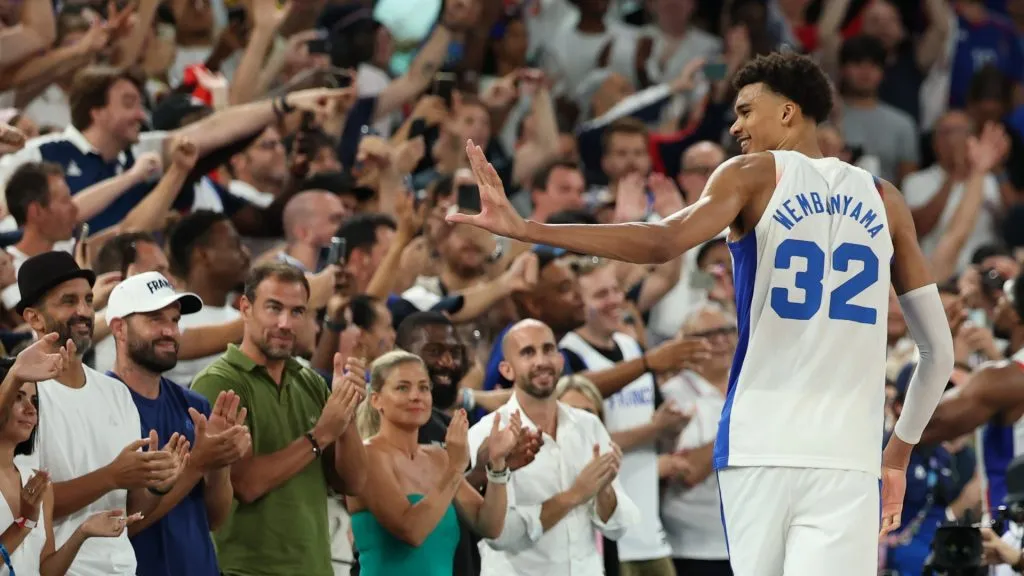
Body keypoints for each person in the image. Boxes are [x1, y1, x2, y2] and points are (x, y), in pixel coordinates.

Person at [450, 52, 956, 575]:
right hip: (848, 457)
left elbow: (663, 240)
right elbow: (939, 355)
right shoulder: (884, 198)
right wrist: (896, 455)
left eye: (745, 111)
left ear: (787, 113)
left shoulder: (753, 174)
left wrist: (531, 230)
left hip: (760, 442)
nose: (735, 125)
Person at [15, 251, 188, 576]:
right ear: (34, 318)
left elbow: (129, 510)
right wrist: (112, 476)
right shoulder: (22, 395)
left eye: (88, 300)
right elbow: (23, 503)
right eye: (69, 301)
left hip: (122, 568)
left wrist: (156, 485)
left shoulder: (116, 392)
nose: (83, 311)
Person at [191, 261, 368, 576]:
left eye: (298, 311)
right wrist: (321, 434)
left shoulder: (309, 381)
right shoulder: (218, 382)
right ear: (245, 308)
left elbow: (351, 482)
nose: (286, 323)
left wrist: (347, 414)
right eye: (274, 308)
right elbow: (245, 484)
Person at [104, 271, 251, 576]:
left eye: (174, 320)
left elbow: (214, 518)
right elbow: (121, 525)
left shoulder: (195, 406)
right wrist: (197, 463)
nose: (170, 331)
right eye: (155, 319)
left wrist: (220, 463)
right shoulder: (100, 404)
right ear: (119, 328)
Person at [467, 319, 640, 575]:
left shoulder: (588, 425)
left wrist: (603, 491)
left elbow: (618, 527)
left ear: (560, 360)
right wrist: (575, 495)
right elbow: (500, 534)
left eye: (548, 349)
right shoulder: (487, 433)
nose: (541, 361)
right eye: (528, 353)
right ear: (506, 369)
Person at [348, 350, 519, 576]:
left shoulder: (439, 458)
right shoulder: (368, 455)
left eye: (423, 387)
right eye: (402, 387)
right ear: (376, 399)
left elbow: (489, 525)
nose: (416, 396)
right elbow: (412, 531)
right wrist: (456, 468)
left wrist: (498, 465)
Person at [0, 335, 137, 575]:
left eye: (34, 400)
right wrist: (24, 522)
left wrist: (82, 532)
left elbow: (45, 571)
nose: (30, 408)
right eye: (18, 397)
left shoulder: (37, 483)